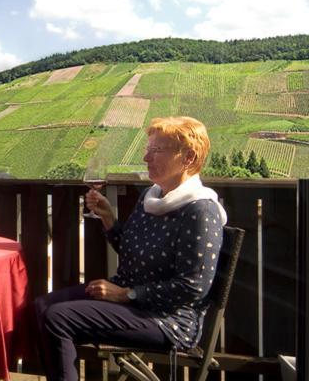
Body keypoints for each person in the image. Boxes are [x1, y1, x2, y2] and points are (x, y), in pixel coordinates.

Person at [35, 116, 227, 381]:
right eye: (147, 149)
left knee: (58, 318)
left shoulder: (201, 211)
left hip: (167, 319)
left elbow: (193, 287)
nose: (147, 157)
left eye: (156, 150)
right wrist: (109, 220)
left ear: (189, 158)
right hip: (132, 301)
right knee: (42, 304)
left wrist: (127, 294)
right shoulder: (152, 198)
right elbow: (130, 250)